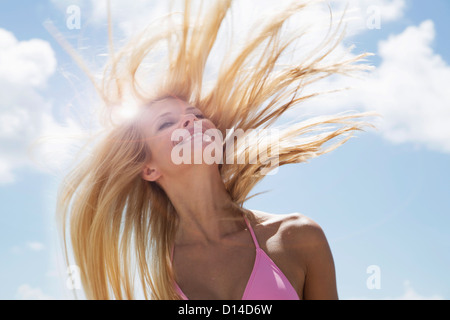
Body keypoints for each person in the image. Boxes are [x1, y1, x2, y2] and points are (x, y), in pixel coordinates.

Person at [56, 0, 374, 300]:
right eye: (167, 124)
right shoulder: (157, 273)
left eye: (196, 115)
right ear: (149, 169)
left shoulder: (296, 236)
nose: (191, 122)